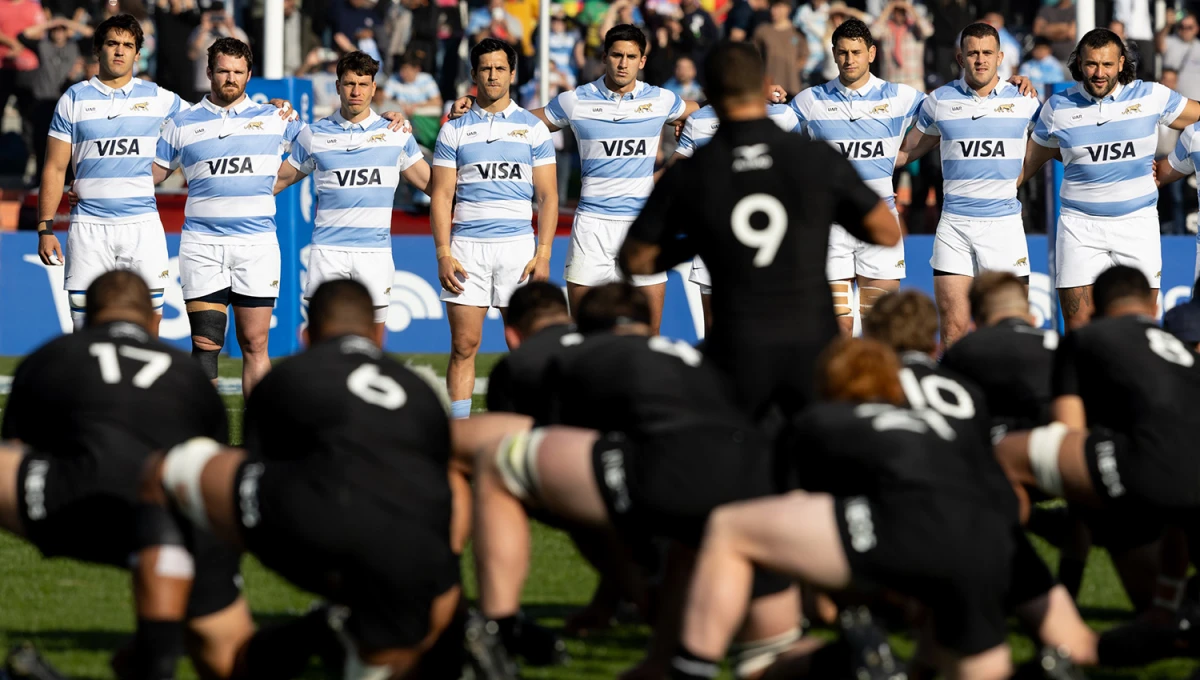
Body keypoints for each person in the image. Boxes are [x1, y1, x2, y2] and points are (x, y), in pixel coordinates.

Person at [469, 283, 801, 680]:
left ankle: (498, 629)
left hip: (668, 468)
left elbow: (575, 464)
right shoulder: (691, 355)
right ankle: (839, 654)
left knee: (500, 463)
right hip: (760, 480)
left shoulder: (570, 357)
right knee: (767, 654)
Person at [149, 279, 464, 680]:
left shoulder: (287, 377)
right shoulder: (419, 388)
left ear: (306, 335)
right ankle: (437, 630)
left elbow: (256, 467)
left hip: (308, 524)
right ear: (379, 334)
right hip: (412, 546)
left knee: (171, 473)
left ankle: (178, 641)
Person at [671, 338, 1020, 680]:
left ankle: (692, 670)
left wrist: (822, 601)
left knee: (730, 528)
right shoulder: (933, 427)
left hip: (910, 528)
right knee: (968, 668)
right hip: (987, 540)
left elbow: (797, 509)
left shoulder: (821, 419)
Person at [622, 40, 900, 424]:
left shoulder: (694, 172)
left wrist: (699, 239)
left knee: (742, 465)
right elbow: (887, 233)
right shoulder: (813, 157)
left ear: (709, 92)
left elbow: (634, 258)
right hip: (811, 345)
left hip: (738, 348)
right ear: (766, 83)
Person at [0, 270, 252, 680]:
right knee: (227, 656)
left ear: (91, 316)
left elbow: (18, 447)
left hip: (73, 501)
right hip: (176, 523)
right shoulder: (186, 373)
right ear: (151, 319)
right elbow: (207, 463)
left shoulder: (55, 353)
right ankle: (319, 632)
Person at [451, 24, 700, 333]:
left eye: (631, 57)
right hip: (591, 226)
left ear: (643, 61)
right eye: (617, 55)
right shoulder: (576, 100)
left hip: (643, 225)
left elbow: (700, 114)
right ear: (604, 57)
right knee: (584, 334)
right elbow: (520, 121)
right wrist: (473, 104)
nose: (623, 63)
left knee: (648, 333)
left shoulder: (662, 100)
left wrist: (684, 125)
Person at [995, 265, 1200, 627]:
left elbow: (1067, 432)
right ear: (1152, 310)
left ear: (1094, 309)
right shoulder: (1178, 348)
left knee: (1003, 455)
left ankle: (1034, 596)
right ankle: (1174, 607)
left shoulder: (1086, 338)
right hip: (1183, 486)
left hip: (1147, 472)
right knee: (1154, 608)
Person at [1018, 28, 1200, 329]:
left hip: (1137, 225)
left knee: (1140, 332)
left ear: (1121, 63)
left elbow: (1196, 116)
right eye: (1091, 64)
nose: (1099, 73)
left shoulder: (1151, 96)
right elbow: (1025, 167)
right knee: (1080, 333)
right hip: (1079, 228)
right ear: (1079, 64)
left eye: (1106, 64)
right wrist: (1008, 90)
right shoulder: (1056, 108)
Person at [154, 37, 304, 399]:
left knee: (255, 343)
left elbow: (321, 147)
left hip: (256, 246)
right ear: (209, 72)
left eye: (238, 72)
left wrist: (279, 181)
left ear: (249, 75)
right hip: (202, 245)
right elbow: (152, 175)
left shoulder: (276, 117)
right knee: (205, 344)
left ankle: (257, 439)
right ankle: (205, 435)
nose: (230, 78)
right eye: (223, 71)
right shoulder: (181, 123)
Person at [430, 38, 558, 420]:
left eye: (500, 68)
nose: (493, 74)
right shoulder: (453, 129)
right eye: (485, 68)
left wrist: (544, 253)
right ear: (473, 74)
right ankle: (459, 430)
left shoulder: (533, 128)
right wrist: (442, 253)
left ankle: (527, 425)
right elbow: (441, 196)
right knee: (464, 346)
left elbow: (549, 197)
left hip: (518, 249)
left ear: (513, 73)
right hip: (467, 249)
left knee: (526, 347)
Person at [36, 15, 188, 334]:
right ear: (98, 49)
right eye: (112, 43)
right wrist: (45, 227)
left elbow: (208, 122)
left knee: (149, 326)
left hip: (142, 226)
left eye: (128, 45)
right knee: (84, 328)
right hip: (89, 227)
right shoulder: (73, 99)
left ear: (137, 53)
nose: (120, 51)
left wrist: (271, 108)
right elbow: (54, 167)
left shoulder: (160, 98)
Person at [895, 22, 1040, 347]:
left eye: (987, 53)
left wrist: (1024, 173)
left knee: (1010, 333)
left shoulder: (1025, 100)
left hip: (1003, 227)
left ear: (1000, 57)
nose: (980, 60)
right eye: (972, 53)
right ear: (960, 58)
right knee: (953, 331)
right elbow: (905, 152)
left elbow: (1058, 145)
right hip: (955, 227)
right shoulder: (939, 101)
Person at [273, 50, 432, 345]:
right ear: (337, 86)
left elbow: (435, 186)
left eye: (363, 84)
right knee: (321, 341)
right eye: (349, 84)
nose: (356, 91)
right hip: (327, 253)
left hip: (375, 254)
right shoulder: (313, 135)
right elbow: (276, 182)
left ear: (374, 88)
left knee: (373, 343)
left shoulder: (396, 132)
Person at [787, 18, 921, 336]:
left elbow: (945, 116)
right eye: (843, 52)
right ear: (833, 54)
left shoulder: (902, 97)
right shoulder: (808, 101)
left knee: (883, 329)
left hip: (879, 221)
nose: (850, 60)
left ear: (872, 53)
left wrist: (904, 156)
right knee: (837, 330)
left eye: (857, 52)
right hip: (830, 227)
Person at [668, 96, 801, 331]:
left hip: (769, 243)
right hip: (715, 241)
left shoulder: (784, 115)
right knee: (716, 334)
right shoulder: (698, 121)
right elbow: (675, 176)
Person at [941, 271, 1058, 438]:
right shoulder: (1061, 346)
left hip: (986, 455)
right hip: (1053, 451)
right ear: (1031, 315)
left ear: (976, 321)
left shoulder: (961, 352)